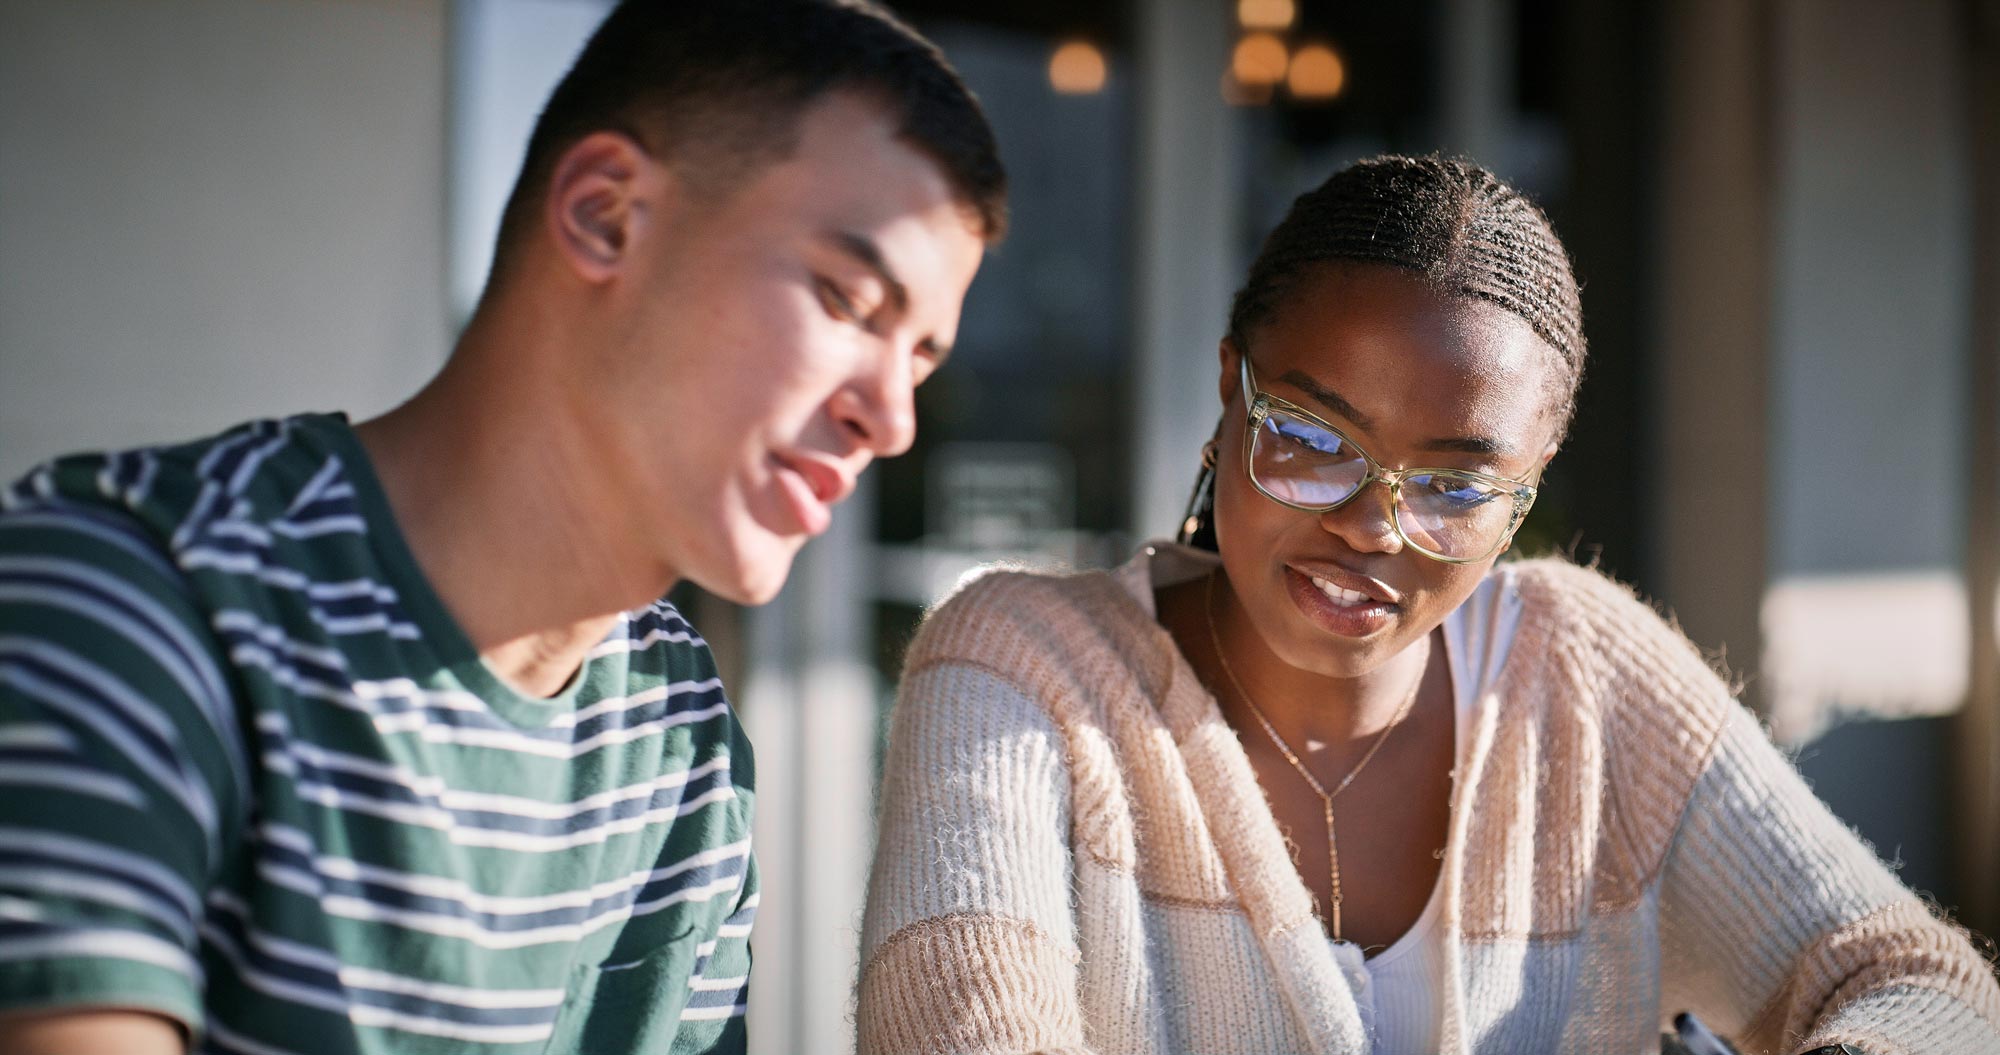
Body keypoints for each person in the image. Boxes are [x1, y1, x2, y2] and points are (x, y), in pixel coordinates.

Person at [0, 2, 1004, 1053]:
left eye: (921, 358)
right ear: (606, 215)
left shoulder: (674, 722)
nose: (890, 422)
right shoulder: (127, 597)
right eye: (847, 299)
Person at [856, 156, 2000, 1054]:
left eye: (1452, 484)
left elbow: (1923, 985)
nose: (1368, 521)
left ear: (1522, 499)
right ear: (1226, 393)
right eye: (1308, 436)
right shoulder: (1019, 666)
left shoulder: (1584, 673)